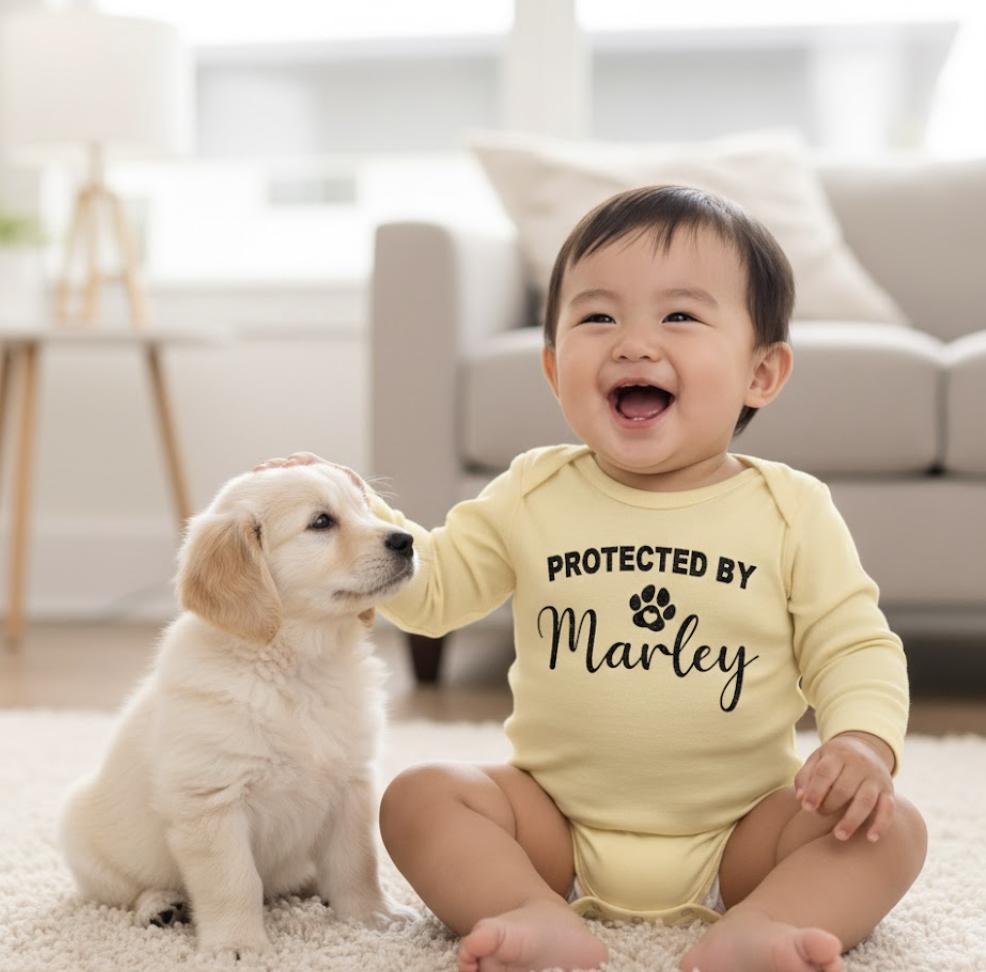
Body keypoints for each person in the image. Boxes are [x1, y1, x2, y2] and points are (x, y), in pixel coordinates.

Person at [257, 185, 928, 972]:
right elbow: (433, 591)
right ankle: (529, 912)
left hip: (745, 833)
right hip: (555, 825)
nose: (633, 344)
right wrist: (352, 511)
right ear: (552, 367)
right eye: (598, 317)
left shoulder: (790, 509)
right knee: (420, 797)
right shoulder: (533, 490)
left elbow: (851, 643)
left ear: (763, 372)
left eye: (679, 316)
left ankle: (767, 925)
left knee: (893, 831)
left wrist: (862, 744)